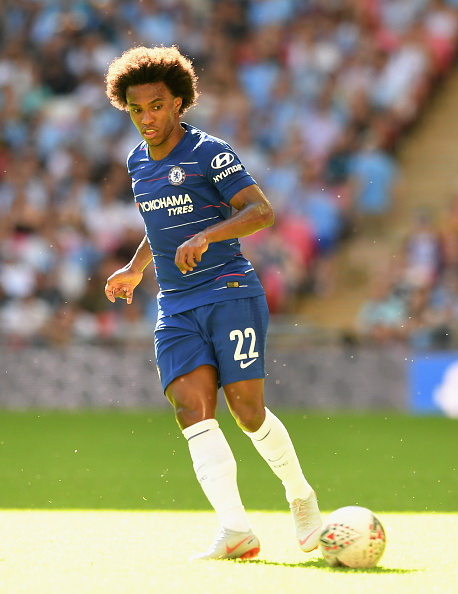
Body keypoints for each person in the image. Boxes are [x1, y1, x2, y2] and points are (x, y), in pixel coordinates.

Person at [104, 45, 322, 560]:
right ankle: (236, 531)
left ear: (179, 102)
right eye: (136, 110)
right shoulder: (137, 162)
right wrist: (136, 267)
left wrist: (207, 235)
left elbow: (261, 211)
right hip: (176, 305)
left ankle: (300, 495)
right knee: (191, 410)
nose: (147, 118)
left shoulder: (210, 153)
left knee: (247, 411)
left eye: (157, 106)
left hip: (228, 290)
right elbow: (161, 225)